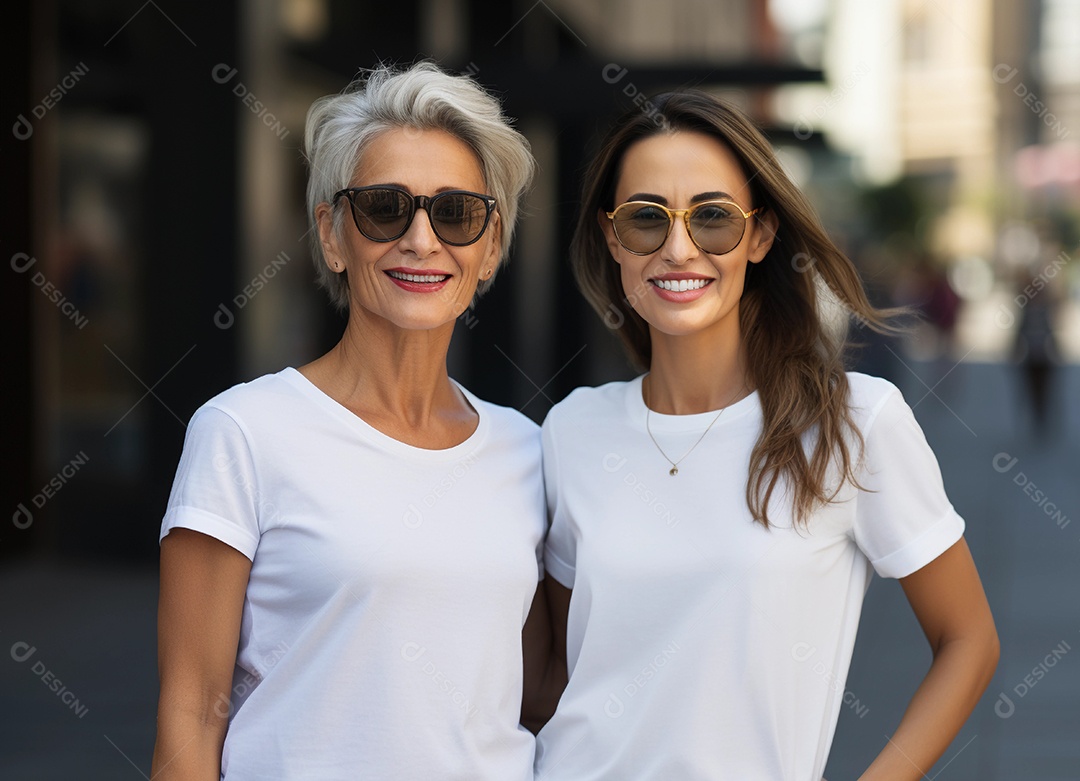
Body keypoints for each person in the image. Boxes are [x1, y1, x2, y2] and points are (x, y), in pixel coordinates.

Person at [535, 91, 999, 781]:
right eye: (645, 220)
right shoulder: (571, 428)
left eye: (714, 218)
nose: (679, 247)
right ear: (611, 238)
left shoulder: (854, 424)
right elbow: (560, 675)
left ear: (760, 235)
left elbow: (969, 639)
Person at [152, 62, 548, 780]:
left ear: (490, 248)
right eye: (384, 208)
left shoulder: (529, 453)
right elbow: (191, 707)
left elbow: (533, 698)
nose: (422, 241)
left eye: (456, 212)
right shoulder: (243, 433)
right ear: (332, 235)